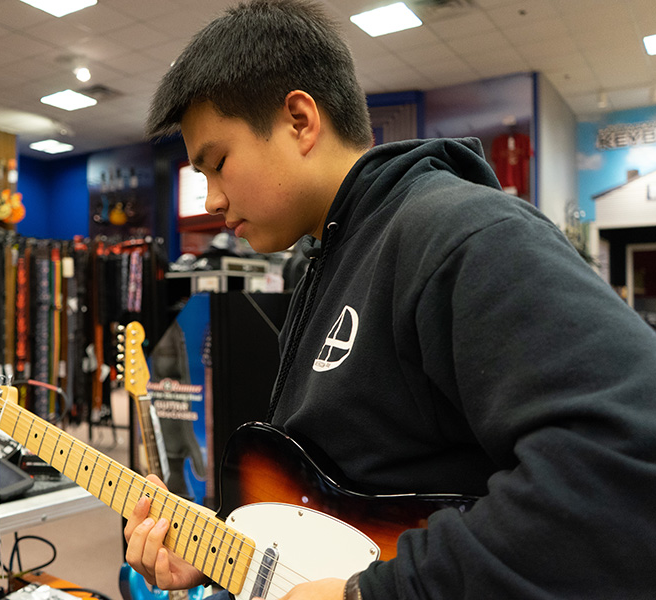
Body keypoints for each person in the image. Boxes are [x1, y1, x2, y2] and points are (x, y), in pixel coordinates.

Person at [123, 1, 656, 598]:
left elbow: (627, 463)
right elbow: (340, 498)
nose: (211, 198)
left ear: (300, 120)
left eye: (216, 163)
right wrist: (225, 554)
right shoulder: (322, 263)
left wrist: (369, 595)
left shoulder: (459, 232)